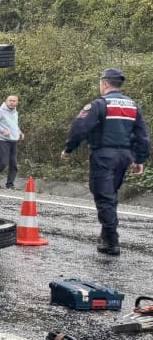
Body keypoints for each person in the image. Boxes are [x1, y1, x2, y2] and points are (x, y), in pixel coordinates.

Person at [62, 68, 149, 255]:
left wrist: (69, 148)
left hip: (103, 155)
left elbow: (80, 128)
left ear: (105, 83)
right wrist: (139, 159)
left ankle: (111, 240)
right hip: (124, 156)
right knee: (111, 194)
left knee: (104, 196)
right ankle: (106, 234)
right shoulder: (133, 106)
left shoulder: (99, 104)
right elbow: (143, 136)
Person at [0, 94, 23, 189]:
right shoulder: (0, 112)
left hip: (13, 140)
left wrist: (20, 132)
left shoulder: (15, 113)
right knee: (3, 163)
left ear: (17, 102)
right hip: (3, 140)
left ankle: (10, 185)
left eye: (14, 101)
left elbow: (14, 125)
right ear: (6, 101)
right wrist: (2, 130)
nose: (12, 102)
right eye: (10, 100)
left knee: (14, 164)